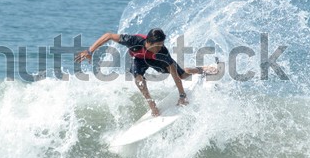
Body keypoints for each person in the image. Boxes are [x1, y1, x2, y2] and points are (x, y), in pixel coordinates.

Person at [75, 28, 209, 117]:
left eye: (161, 45)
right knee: (138, 79)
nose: (159, 47)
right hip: (138, 59)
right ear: (148, 42)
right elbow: (108, 36)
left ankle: (200, 69)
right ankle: (152, 106)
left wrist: (182, 95)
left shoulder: (162, 53)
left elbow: (174, 75)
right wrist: (89, 51)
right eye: (156, 45)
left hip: (155, 61)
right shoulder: (134, 41)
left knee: (182, 75)